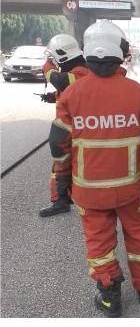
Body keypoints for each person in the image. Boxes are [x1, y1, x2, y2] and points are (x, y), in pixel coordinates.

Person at [48, 20, 140, 317]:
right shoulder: (138, 93)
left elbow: (58, 145)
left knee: (99, 243)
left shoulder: (71, 96)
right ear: (120, 52)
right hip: (131, 188)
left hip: (89, 192)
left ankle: (110, 296)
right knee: (139, 236)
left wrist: (61, 181)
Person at [38, 34, 91, 217]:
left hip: (74, 129)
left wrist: (47, 69)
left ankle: (61, 200)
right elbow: (69, 92)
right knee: (64, 163)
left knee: (62, 163)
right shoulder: (76, 71)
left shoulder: (81, 72)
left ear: (62, 56)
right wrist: (53, 97)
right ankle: (65, 196)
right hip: (72, 128)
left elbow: (63, 82)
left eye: (54, 58)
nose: (53, 62)